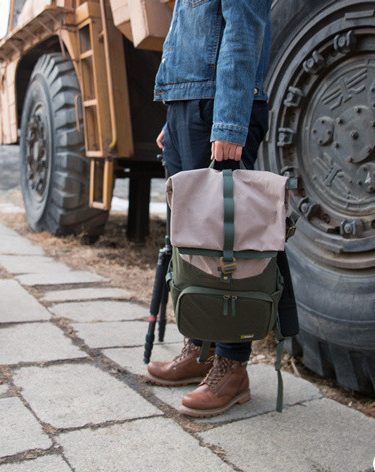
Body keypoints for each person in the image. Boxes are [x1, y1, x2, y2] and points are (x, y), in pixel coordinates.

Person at [143, 0, 299, 417]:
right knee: (191, 244)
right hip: (190, 105)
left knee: (226, 246)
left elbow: (243, 32)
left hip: (218, 107)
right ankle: (200, 350)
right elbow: (195, 36)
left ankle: (232, 368)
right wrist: (175, 114)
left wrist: (228, 123)